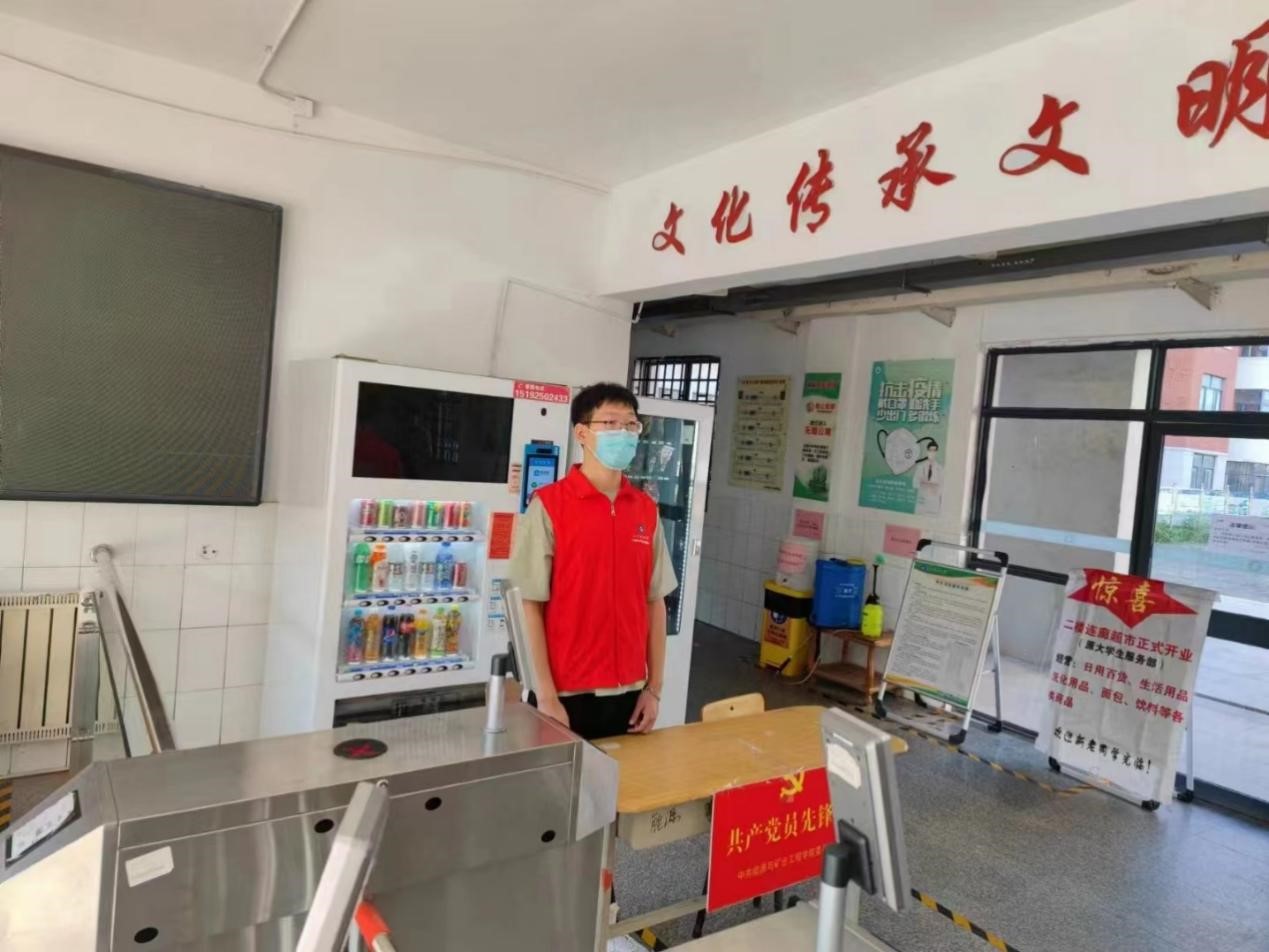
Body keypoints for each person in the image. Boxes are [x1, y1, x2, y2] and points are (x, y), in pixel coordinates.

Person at [509, 382, 678, 739]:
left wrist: (654, 689)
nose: (624, 433)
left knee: (627, 777)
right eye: (611, 422)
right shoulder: (550, 505)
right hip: (566, 695)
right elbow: (530, 607)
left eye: (631, 424)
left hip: (630, 693)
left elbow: (655, 602)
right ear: (582, 433)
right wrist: (547, 695)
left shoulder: (645, 510)